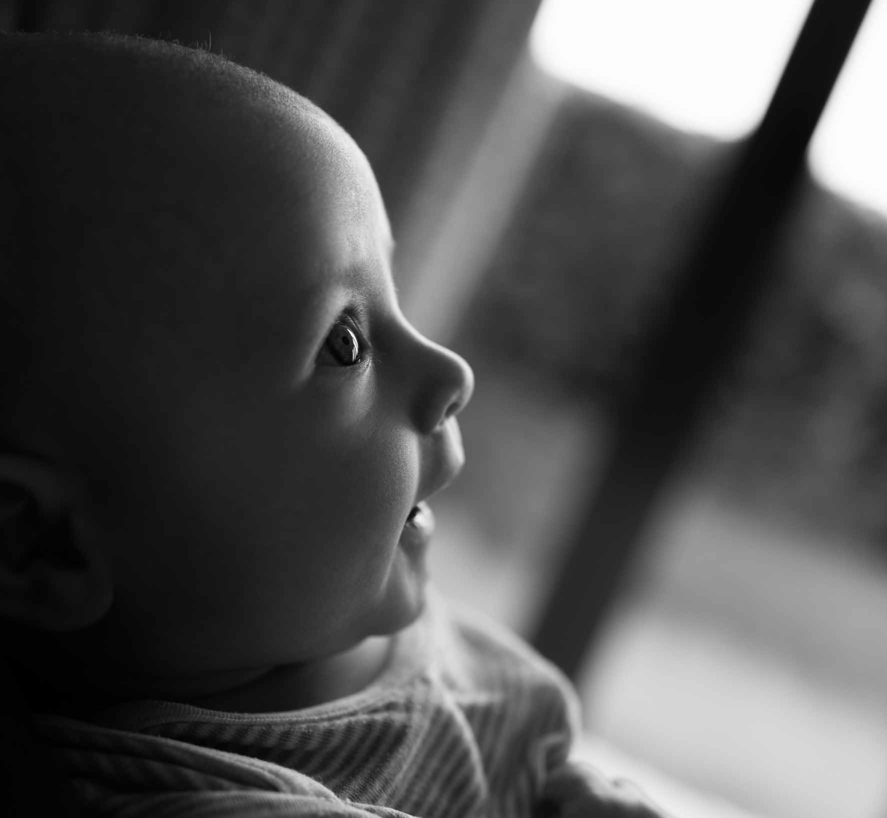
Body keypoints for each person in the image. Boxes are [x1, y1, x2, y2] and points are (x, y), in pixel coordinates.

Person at [0, 31, 664, 818]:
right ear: (46, 546)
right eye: (343, 343)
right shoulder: (204, 796)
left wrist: (570, 793)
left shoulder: (317, 616)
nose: (454, 371)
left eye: (392, 292)